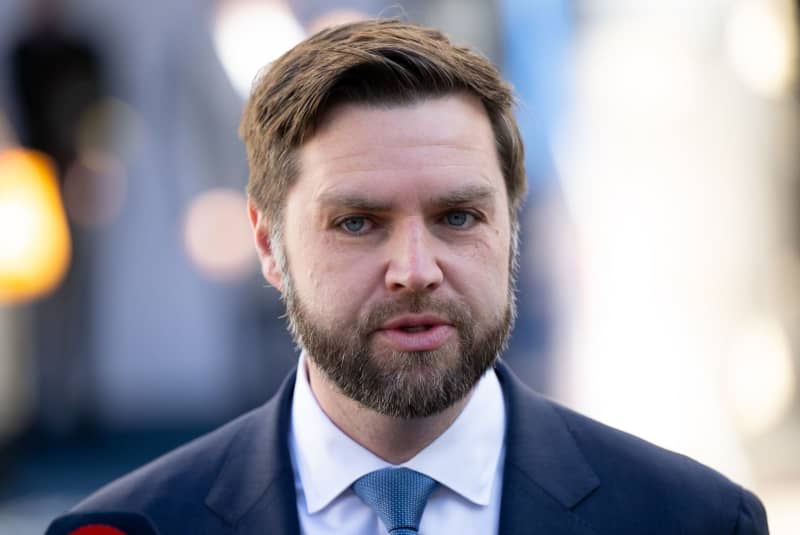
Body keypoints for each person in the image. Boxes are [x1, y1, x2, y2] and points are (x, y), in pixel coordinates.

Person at [48, 19, 768, 534]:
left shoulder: (694, 519)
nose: (415, 271)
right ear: (269, 244)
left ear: (511, 227)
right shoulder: (130, 527)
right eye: (358, 222)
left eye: (458, 216)